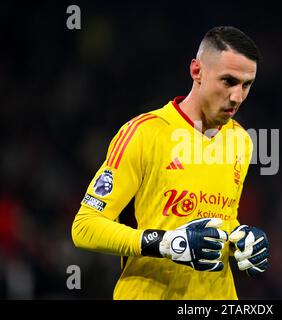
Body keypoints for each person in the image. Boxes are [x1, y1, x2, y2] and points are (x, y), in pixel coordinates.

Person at [71, 26, 269, 300]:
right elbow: (84, 227)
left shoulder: (241, 140)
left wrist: (242, 240)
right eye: (228, 81)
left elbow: (222, 219)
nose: (237, 97)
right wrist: (164, 243)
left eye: (246, 85)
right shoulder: (144, 133)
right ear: (196, 71)